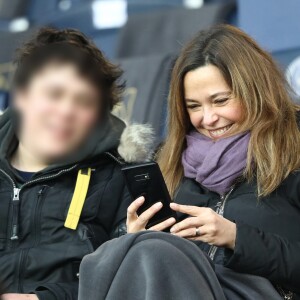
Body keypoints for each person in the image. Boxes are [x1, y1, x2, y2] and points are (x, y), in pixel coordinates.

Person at [79, 24, 300, 300]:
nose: (207, 119)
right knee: (126, 253)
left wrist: (236, 237)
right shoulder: (170, 158)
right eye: (194, 106)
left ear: (254, 90)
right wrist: (132, 236)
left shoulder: (294, 148)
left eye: (220, 101)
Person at [0, 27, 151, 300]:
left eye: (83, 101)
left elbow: (127, 281)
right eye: (54, 94)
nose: (67, 111)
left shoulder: (118, 177)